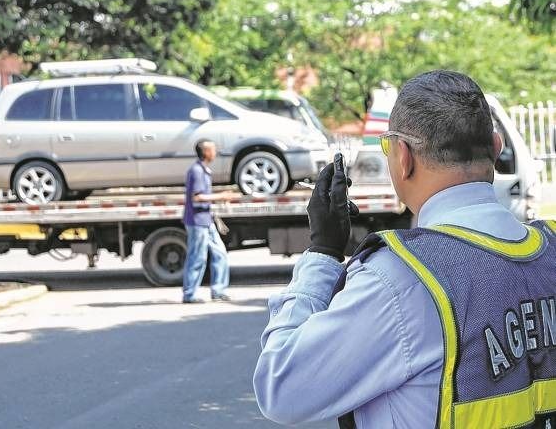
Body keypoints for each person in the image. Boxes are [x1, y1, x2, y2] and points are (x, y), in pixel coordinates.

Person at [253, 70, 556, 428]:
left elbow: (282, 388)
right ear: (495, 147)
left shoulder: (402, 280)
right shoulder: (549, 251)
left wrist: (322, 253)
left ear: (404, 155)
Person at [183, 139, 232, 303]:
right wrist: (221, 196)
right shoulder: (197, 171)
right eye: (213, 149)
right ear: (205, 152)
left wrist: (217, 200)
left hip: (206, 220)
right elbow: (196, 198)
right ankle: (189, 294)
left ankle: (218, 291)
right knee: (197, 257)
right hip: (197, 221)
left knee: (220, 254)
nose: (216, 151)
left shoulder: (204, 170)